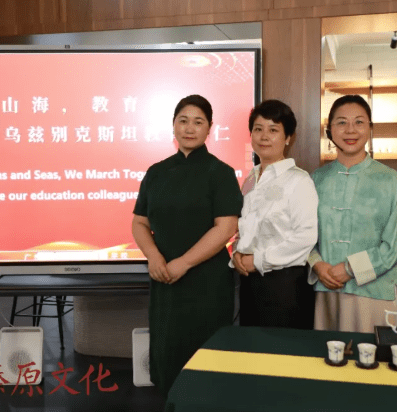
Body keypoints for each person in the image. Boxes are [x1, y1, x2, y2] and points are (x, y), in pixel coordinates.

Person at [131, 95, 243, 396]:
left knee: (204, 363)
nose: (189, 128)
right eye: (183, 121)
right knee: (167, 358)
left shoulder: (220, 172)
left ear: (209, 129)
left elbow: (226, 228)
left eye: (198, 122)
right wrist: (153, 256)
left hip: (206, 283)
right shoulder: (156, 172)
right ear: (173, 126)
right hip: (164, 279)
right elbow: (139, 223)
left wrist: (184, 262)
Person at [308, 94, 397, 333]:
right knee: (328, 353)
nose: (350, 130)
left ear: (370, 128)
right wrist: (317, 264)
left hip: (374, 292)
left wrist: (350, 269)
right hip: (327, 291)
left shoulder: (390, 180)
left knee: (371, 353)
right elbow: (303, 234)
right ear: (329, 130)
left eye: (359, 122)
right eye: (341, 122)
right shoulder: (316, 179)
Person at [232, 99, 318, 328]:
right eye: (258, 129)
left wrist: (258, 260)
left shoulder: (299, 180)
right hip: (249, 282)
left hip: (284, 286)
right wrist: (237, 252)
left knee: (281, 348)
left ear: (288, 137)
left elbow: (306, 237)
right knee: (251, 346)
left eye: (273, 130)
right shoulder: (250, 179)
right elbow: (245, 227)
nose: (264, 136)